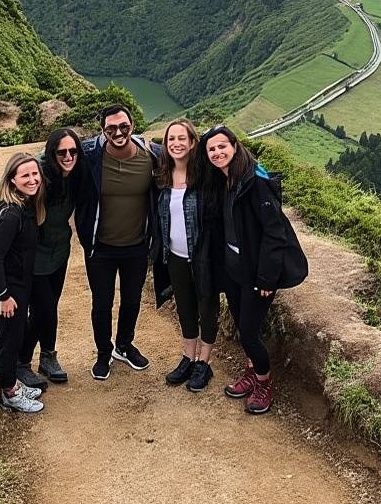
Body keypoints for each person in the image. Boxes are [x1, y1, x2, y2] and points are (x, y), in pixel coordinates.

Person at [200, 125, 308, 414]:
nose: (217, 152)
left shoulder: (255, 181)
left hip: (256, 273)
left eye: (222, 146)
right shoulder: (222, 180)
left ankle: (263, 382)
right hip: (233, 269)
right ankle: (251, 370)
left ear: (235, 146)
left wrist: (267, 278)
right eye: (211, 149)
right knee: (241, 325)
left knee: (249, 333)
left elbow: (275, 233)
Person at [77, 104, 161, 380]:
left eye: (123, 126)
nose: (118, 132)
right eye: (110, 128)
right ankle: (104, 352)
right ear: (102, 130)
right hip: (100, 247)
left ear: (132, 125)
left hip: (136, 245)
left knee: (132, 300)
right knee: (102, 303)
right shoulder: (90, 156)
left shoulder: (151, 156)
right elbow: (47, 163)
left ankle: (124, 345)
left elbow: (189, 164)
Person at [153, 119, 220, 392]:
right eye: (171, 139)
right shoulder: (162, 177)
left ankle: (204, 361)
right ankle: (188, 357)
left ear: (193, 142)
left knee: (207, 307)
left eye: (182, 138)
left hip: (204, 257)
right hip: (175, 256)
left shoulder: (206, 177)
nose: (176, 144)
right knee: (185, 308)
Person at [14, 128, 83, 389]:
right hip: (35, 254)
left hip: (60, 250)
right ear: (51, 152)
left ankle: (48, 356)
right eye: (61, 152)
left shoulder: (76, 173)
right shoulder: (39, 172)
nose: (68, 156)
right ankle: (21, 362)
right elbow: (2, 189)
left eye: (73, 151)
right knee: (42, 308)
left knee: (50, 305)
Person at [0, 152, 47, 413]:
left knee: (13, 335)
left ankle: (12, 383)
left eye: (35, 173)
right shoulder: (10, 214)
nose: (32, 179)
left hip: (13, 283)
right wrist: (4, 296)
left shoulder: (21, 204)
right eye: (25, 175)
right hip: (5, 287)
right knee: (10, 340)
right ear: (12, 180)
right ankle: (9, 392)